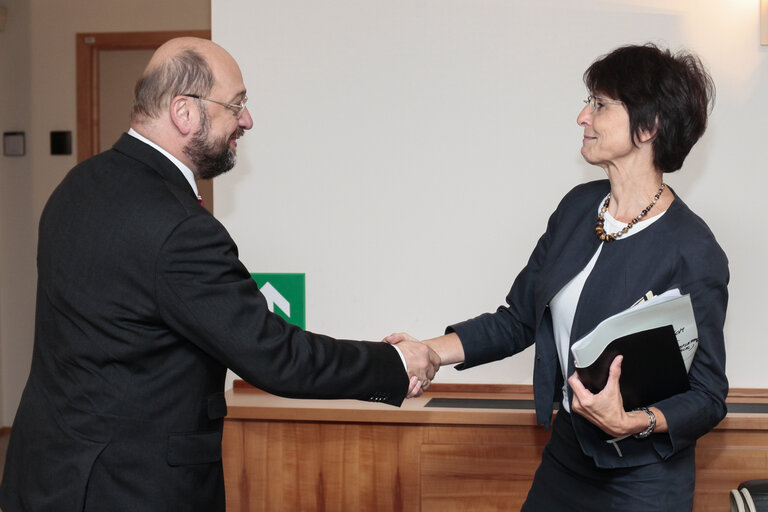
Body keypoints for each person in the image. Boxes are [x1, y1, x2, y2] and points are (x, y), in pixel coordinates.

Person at [0, 37, 439, 512]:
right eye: (237, 105)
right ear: (184, 112)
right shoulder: (179, 227)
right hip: (133, 489)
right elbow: (278, 358)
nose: (247, 120)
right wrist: (395, 364)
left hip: (45, 477)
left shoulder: (76, 186)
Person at [387, 43, 728, 511]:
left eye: (601, 104)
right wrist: (429, 352)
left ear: (648, 128)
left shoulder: (694, 250)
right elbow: (517, 320)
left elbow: (708, 396)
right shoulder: (576, 209)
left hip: (645, 479)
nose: (582, 116)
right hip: (568, 456)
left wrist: (635, 421)